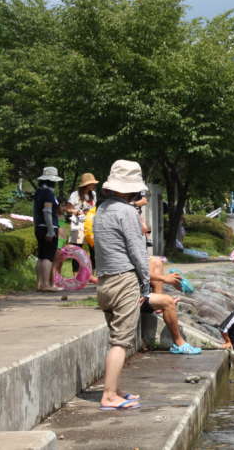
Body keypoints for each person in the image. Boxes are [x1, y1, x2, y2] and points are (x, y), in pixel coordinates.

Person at [94, 160, 149, 410]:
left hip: (105, 280)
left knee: (117, 337)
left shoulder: (102, 209)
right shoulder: (127, 212)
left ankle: (115, 389)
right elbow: (137, 252)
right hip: (124, 279)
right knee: (121, 341)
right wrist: (145, 284)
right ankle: (108, 396)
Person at [145, 256, 201, 354]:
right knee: (168, 301)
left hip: (140, 290)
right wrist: (165, 278)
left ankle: (158, 301)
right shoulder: (131, 244)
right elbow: (139, 272)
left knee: (156, 261)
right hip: (131, 294)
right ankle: (179, 343)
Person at [33, 167, 64, 292]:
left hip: (39, 227)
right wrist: (51, 230)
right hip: (47, 227)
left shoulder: (39, 192)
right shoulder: (48, 193)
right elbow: (47, 211)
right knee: (48, 256)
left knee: (41, 256)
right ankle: (46, 284)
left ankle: (40, 284)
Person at [68, 173, 99, 273]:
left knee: (94, 249)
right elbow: (68, 208)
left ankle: (93, 273)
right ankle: (75, 274)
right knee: (76, 250)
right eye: (92, 183)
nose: (94, 185)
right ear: (86, 184)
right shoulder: (75, 195)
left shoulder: (93, 195)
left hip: (90, 225)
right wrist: (76, 212)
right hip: (77, 224)